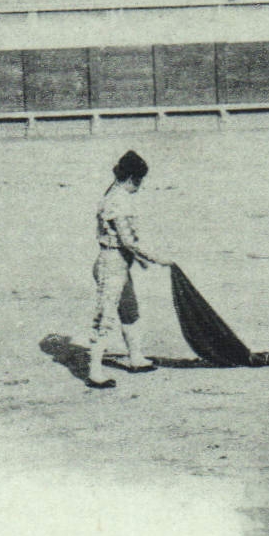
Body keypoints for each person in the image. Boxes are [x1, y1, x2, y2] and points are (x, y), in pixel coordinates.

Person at [85, 150, 172, 389]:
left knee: (129, 310)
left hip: (118, 263)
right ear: (132, 178)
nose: (140, 186)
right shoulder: (118, 200)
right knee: (105, 317)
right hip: (111, 265)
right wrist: (156, 258)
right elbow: (128, 241)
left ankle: (135, 357)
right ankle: (94, 372)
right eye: (139, 181)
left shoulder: (112, 194)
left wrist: (140, 261)